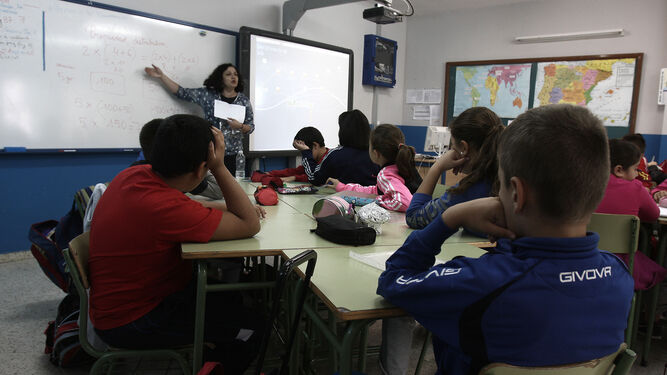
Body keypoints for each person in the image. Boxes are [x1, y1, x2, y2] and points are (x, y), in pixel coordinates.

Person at [377, 104, 634, 375]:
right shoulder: (619, 276)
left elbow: (394, 279)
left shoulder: (478, 281)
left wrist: (450, 218)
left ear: (516, 195)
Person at [89, 114, 263, 374]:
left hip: (130, 300)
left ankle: (211, 355)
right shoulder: (162, 207)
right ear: (200, 168)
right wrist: (219, 166)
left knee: (232, 296)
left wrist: (229, 201)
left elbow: (192, 205)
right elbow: (249, 225)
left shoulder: (136, 176)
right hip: (133, 319)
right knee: (254, 327)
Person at [145, 63, 254, 176]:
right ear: (220, 78)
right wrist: (162, 76)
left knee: (232, 188)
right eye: (228, 74)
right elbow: (182, 92)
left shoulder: (243, 101)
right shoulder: (208, 95)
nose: (233, 77)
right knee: (212, 188)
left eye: (235, 74)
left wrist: (240, 126)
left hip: (234, 155)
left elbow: (250, 127)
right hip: (211, 152)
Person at [406, 106, 504, 229]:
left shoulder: (468, 191)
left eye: (453, 147)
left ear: (464, 147)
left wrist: (437, 167)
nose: (452, 151)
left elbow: (414, 216)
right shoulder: (509, 179)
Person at [596, 139, 665, 290]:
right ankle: (647, 311)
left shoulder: (583, 184)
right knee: (657, 271)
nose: (637, 174)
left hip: (583, 258)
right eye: (635, 169)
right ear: (619, 170)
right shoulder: (636, 188)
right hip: (622, 263)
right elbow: (654, 215)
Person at [327, 124, 422, 212]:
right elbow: (376, 190)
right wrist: (343, 187)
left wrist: (379, 201)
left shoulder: (385, 174)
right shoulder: (402, 166)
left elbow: (404, 202)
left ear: (376, 153)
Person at [303, 109, 379, 186]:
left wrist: (306, 151)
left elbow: (315, 178)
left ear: (344, 131)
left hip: (343, 197)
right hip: (372, 197)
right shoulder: (376, 154)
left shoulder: (335, 155)